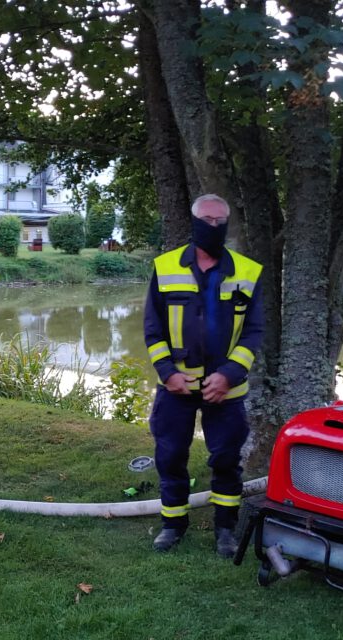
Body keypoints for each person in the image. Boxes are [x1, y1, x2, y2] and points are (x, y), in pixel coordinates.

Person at [144, 193, 263, 558]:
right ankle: (173, 524)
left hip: (225, 390)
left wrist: (229, 374)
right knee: (170, 455)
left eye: (220, 221)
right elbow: (152, 329)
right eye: (207, 220)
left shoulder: (248, 271)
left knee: (226, 459)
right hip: (176, 386)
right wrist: (168, 373)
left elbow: (254, 332)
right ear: (195, 222)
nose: (214, 226)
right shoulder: (165, 267)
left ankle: (225, 529)